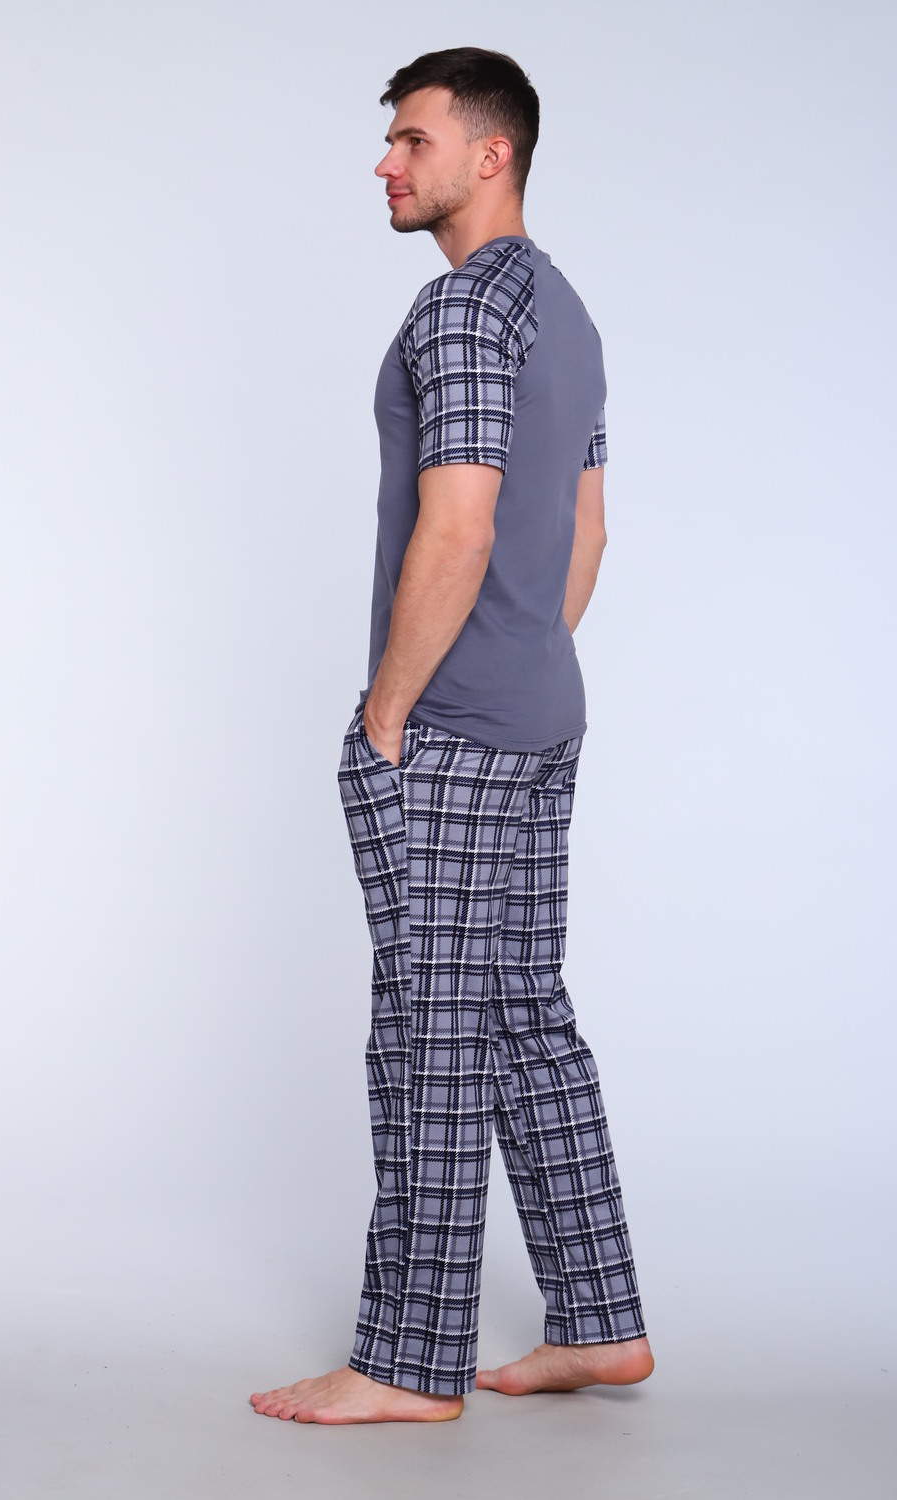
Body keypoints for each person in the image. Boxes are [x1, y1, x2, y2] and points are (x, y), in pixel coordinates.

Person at [251, 46, 653, 1425]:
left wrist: (390, 712)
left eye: (412, 140)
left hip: (457, 735)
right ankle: (599, 1322)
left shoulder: (463, 310)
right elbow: (587, 536)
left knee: (430, 1035)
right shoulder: (568, 312)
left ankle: (406, 1363)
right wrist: (525, 656)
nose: (386, 162)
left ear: (493, 154)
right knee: (525, 1018)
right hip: (541, 716)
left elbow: (463, 519)